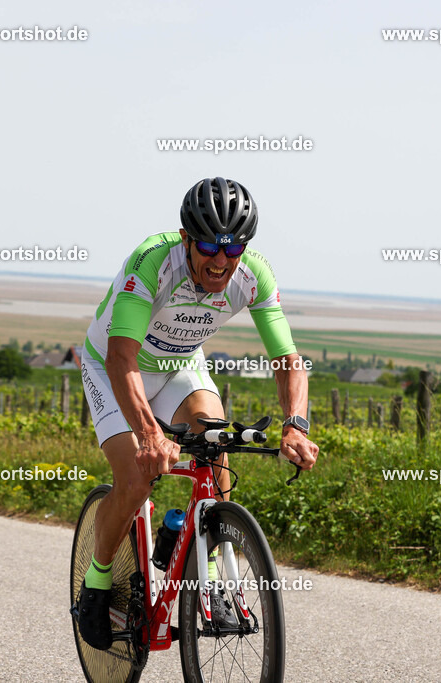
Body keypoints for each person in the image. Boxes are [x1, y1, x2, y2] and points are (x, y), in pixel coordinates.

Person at [75, 177, 319, 650]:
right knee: (136, 479)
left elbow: (289, 360)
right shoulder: (152, 262)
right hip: (113, 369)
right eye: (209, 246)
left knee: (215, 442)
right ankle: (98, 582)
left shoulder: (253, 275)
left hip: (179, 366)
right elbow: (120, 356)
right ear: (187, 238)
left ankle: (204, 571)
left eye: (233, 249)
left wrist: (295, 424)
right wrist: (148, 433)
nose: (220, 261)